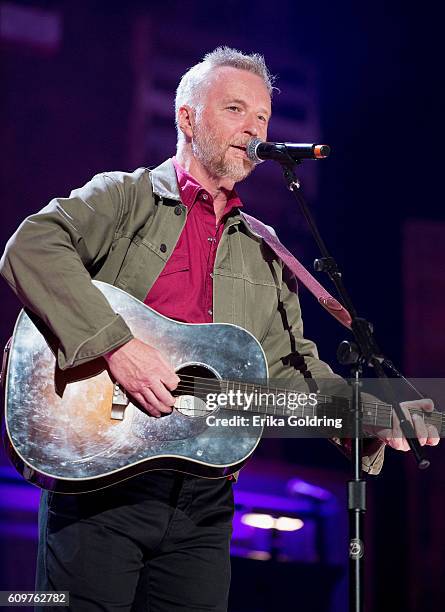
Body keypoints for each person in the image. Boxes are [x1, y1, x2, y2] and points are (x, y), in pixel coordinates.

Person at [0, 47, 439, 612]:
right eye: (236, 110)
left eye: (262, 118)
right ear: (187, 117)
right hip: (100, 485)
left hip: (206, 503)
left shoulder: (267, 249)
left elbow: (291, 374)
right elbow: (31, 247)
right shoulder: (124, 196)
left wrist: (368, 417)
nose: (254, 128)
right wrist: (120, 347)